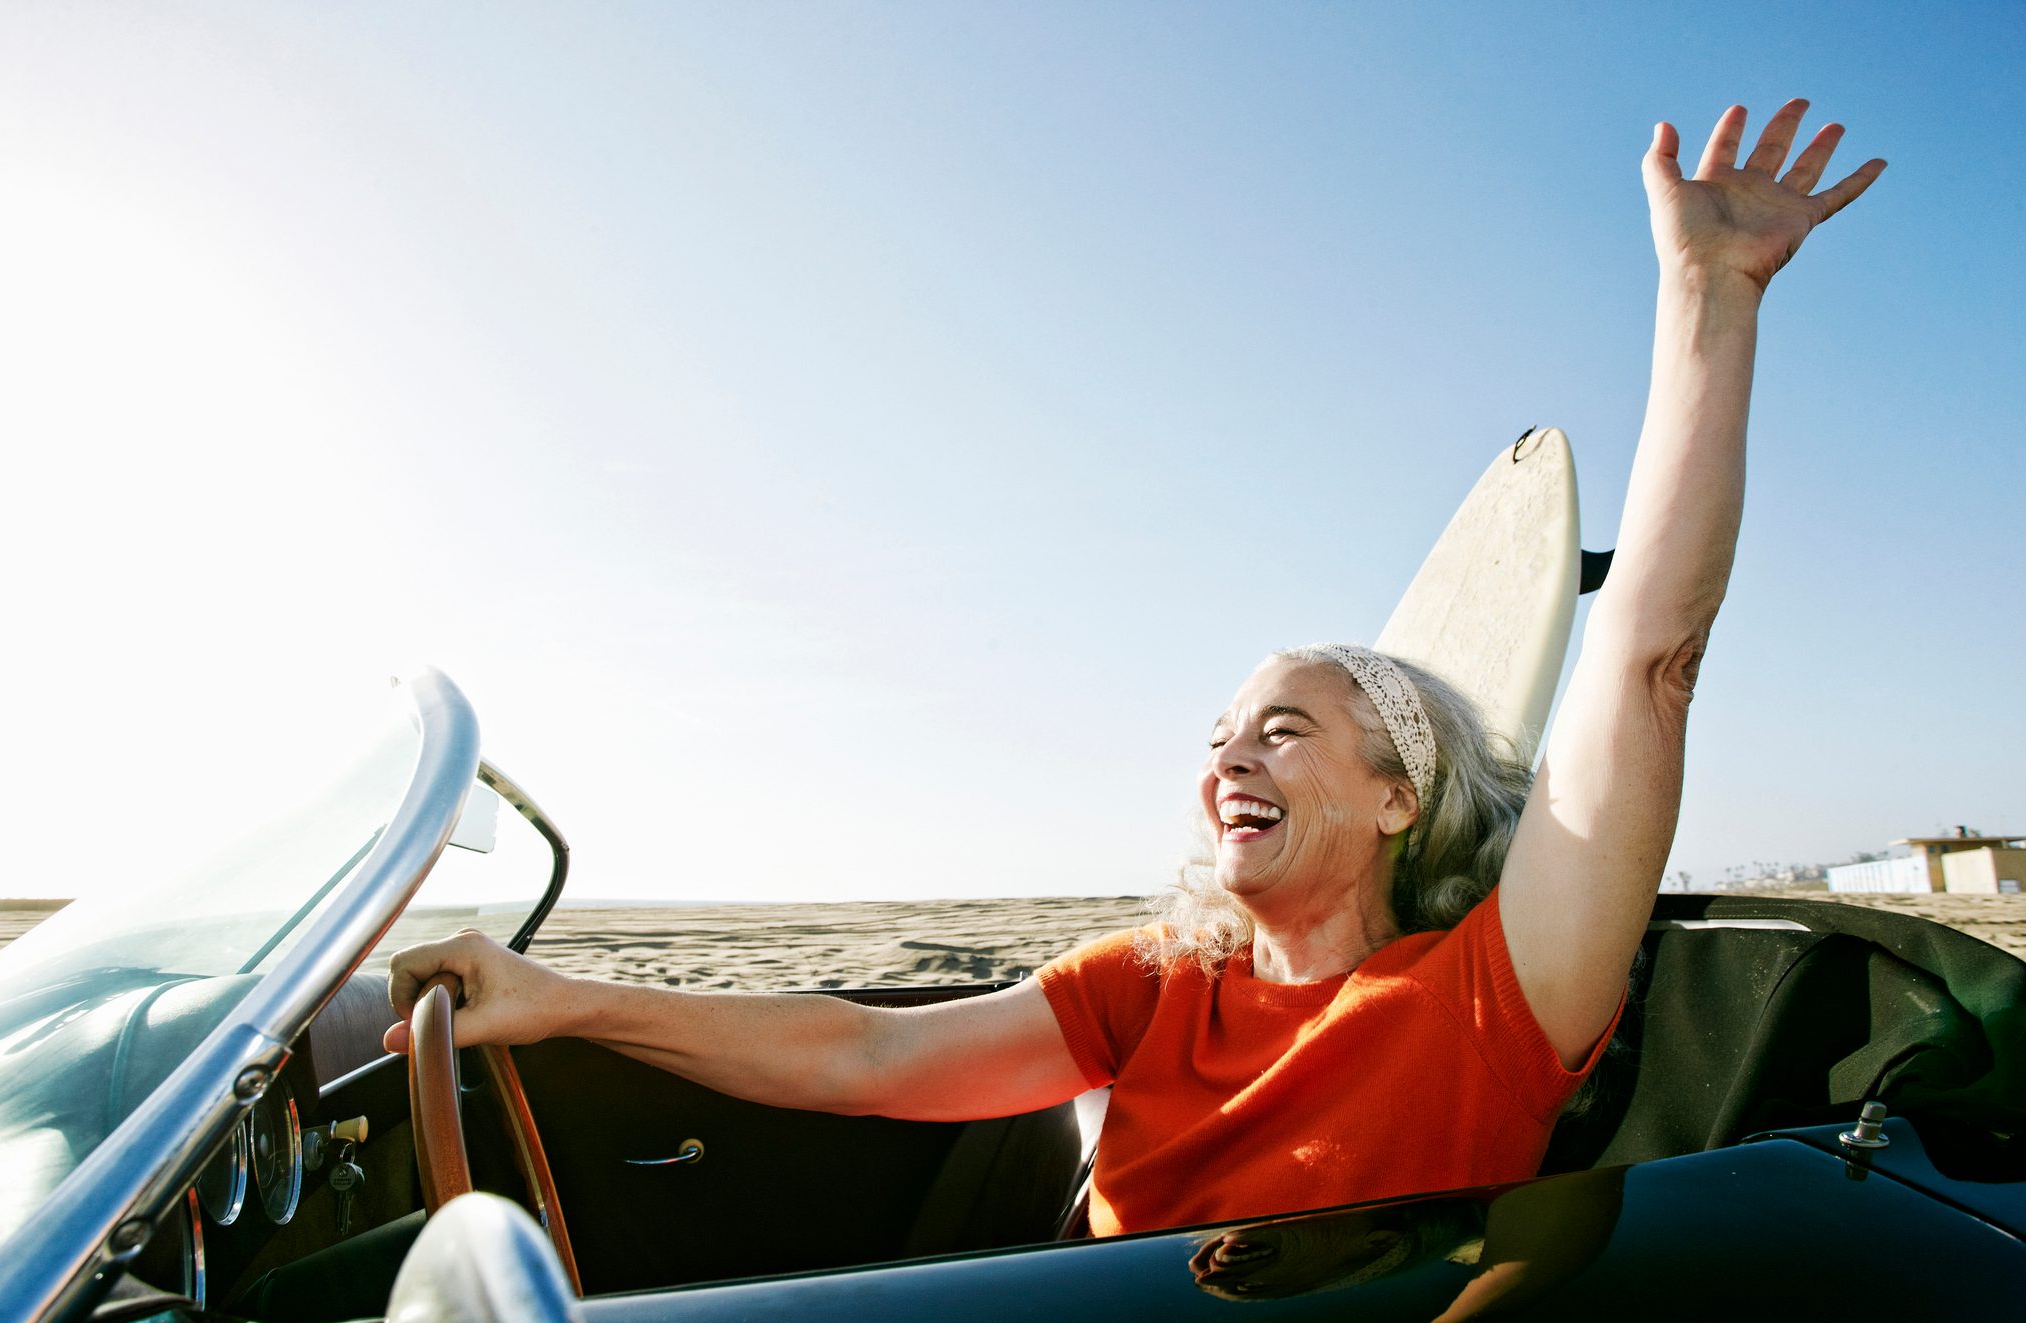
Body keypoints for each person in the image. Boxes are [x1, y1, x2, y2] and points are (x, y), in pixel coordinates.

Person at [386, 100, 1883, 1237]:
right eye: (1219, 731)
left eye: (1283, 730)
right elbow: (852, 1054)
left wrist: (1707, 302)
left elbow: (1642, 675)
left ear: (1391, 797)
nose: (1226, 756)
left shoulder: (1490, 999)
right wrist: (560, 997)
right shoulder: (1155, 990)